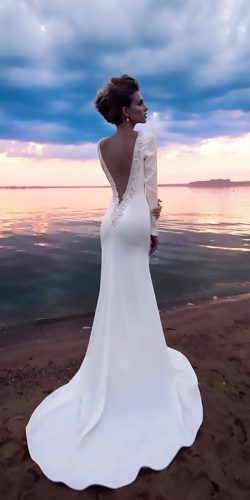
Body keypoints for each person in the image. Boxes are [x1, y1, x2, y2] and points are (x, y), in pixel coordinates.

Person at [26, 74, 203, 490]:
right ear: (126, 111)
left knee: (114, 300)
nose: (146, 108)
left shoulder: (101, 148)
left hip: (110, 225)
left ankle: (112, 368)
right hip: (136, 222)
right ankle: (138, 374)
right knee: (137, 297)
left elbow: (117, 190)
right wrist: (156, 226)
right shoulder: (148, 141)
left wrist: (141, 211)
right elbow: (149, 192)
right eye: (141, 103)